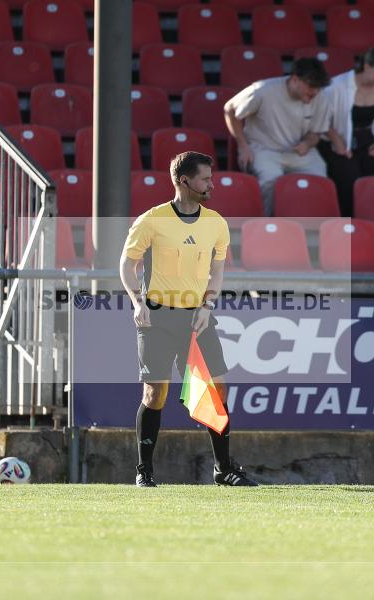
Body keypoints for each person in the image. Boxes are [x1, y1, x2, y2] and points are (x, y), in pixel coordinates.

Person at [119, 151, 258, 488]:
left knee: (218, 389)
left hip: (199, 319)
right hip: (158, 320)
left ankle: (223, 469)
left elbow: (218, 271)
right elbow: (127, 264)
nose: (212, 183)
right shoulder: (151, 220)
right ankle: (145, 471)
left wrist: (208, 307)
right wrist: (138, 302)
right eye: (205, 178)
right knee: (155, 394)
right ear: (184, 181)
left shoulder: (216, 223)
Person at [224, 57, 331, 216]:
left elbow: (316, 133)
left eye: (318, 87)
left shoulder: (320, 97)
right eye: (311, 86)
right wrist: (242, 146)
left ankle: (310, 229)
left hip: (299, 152)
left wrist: (307, 144)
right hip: (263, 149)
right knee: (270, 180)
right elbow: (230, 109)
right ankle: (266, 226)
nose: (314, 92)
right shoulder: (263, 90)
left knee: (320, 178)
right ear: (295, 79)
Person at [320, 46, 374, 216]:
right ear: (367, 67)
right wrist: (337, 142)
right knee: (349, 178)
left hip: (367, 138)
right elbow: (320, 119)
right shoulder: (336, 86)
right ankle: (350, 226)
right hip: (336, 139)